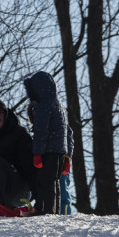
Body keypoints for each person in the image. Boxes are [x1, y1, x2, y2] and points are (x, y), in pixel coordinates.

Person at [24, 71, 73, 215]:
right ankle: (54, 210)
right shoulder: (58, 106)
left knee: (45, 180)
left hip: (48, 151)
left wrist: (37, 153)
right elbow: (67, 134)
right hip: (59, 152)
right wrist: (67, 156)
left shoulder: (43, 106)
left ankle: (45, 209)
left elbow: (41, 132)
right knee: (55, 181)